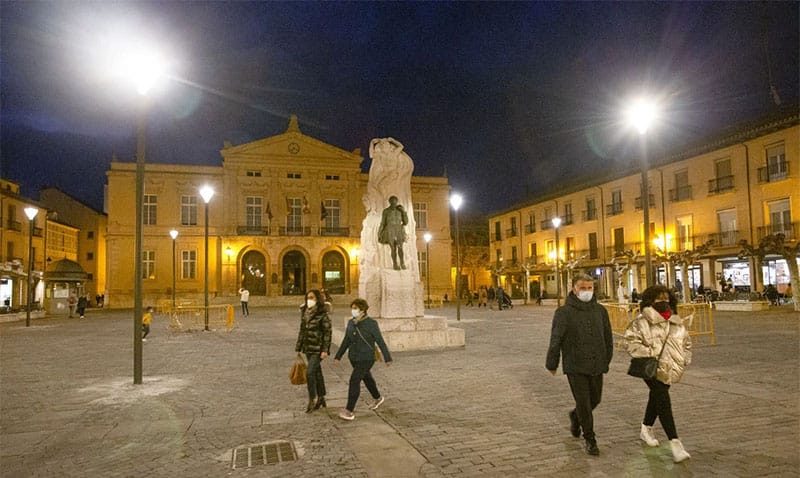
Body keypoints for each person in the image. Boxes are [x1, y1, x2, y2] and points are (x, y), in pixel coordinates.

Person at [546, 274, 613, 456]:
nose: (586, 292)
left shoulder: (600, 311)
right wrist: (552, 363)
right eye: (583, 288)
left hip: (596, 363)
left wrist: (607, 358)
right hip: (575, 365)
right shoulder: (564, 312)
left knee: (595, 400)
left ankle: (576, 416)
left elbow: (607, 337)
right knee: (584, 402)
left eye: (590, 288)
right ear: (574, 289)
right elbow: (556, 339)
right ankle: (590, 438)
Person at [624, 285, 692, 463]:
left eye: (666, 298)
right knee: (662, 397)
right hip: (650, 366)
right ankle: (675, 442)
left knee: (657, 396)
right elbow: (630, 342)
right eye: (659, 299)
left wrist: (684, 359)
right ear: (650, 301)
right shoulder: (641, 321)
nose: (664, 301)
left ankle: (646, 427)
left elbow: (686, 343)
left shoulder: (676, 321)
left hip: (670, 367)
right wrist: (650, 353)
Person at [333, 298, 393, 420]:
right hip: (354, 357)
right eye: (352, 308)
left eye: (355, 308)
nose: (353, 311)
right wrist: (338, 356)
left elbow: (380, 341)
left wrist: (387, 357)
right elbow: (346, 340)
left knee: (354, 380)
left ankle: (349, 411)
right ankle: (378, 398)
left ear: (363, 310)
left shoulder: (371, 324)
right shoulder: (351, 323)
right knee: (367, 378)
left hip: (366, 357)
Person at [294, 289, 332, 413]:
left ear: (318, 299)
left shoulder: (322, 314)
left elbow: (327, 333)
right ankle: (321, 397)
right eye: (308, 298)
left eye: (312, 298)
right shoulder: (305, 312)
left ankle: (312, 398)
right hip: (308, 347)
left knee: (310, 372)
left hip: (319, 348)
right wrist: (298, 347)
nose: (310, 300)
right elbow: (302, 330)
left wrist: (325, 350)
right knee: (316, 372)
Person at [377, 195, 409, 270]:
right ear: (390, 202)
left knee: (400, 247)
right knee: (393, 248)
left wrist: (403, 212)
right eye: (392, 202)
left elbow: (406, 222)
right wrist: (379, 233)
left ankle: (402, 263)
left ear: (397, 202)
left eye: (395, 202)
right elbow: (383, 223)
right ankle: (395, 264)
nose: (394, 203)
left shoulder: (400, 211)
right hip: (390, 229)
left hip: (398, 229)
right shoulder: (386, 211)